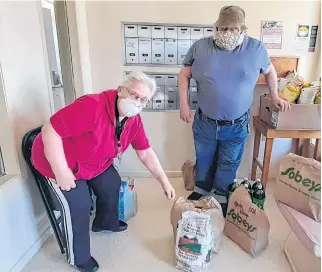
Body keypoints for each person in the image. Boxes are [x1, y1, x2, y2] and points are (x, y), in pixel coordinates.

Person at [31, 72, 176, 272]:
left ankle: (105, 222)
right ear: (120, 90)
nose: (138, 102)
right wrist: (60, 170)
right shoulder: (92, 106)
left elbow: (146, 153)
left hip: (94, 161)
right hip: (59, 159)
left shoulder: (133, 120)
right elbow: (50, 130)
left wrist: (164, 181)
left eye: (143, 100)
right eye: (134, 95)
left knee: (111, 183)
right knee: (80, 204)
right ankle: (78, 257)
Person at [178, 6, 290, 214]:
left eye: (232, 29)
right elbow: (184, 74)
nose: (227, 33)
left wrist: (274, 95)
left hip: (236, 124)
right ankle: (201, 188)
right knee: (204, 157)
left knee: (228, 161)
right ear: (216, 27)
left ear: (242, 30)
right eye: (222, 28)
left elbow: (270, 71)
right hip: (205, 121)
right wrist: (184, 105)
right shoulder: (200, 47)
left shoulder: (256, 49)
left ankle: (221, 194)